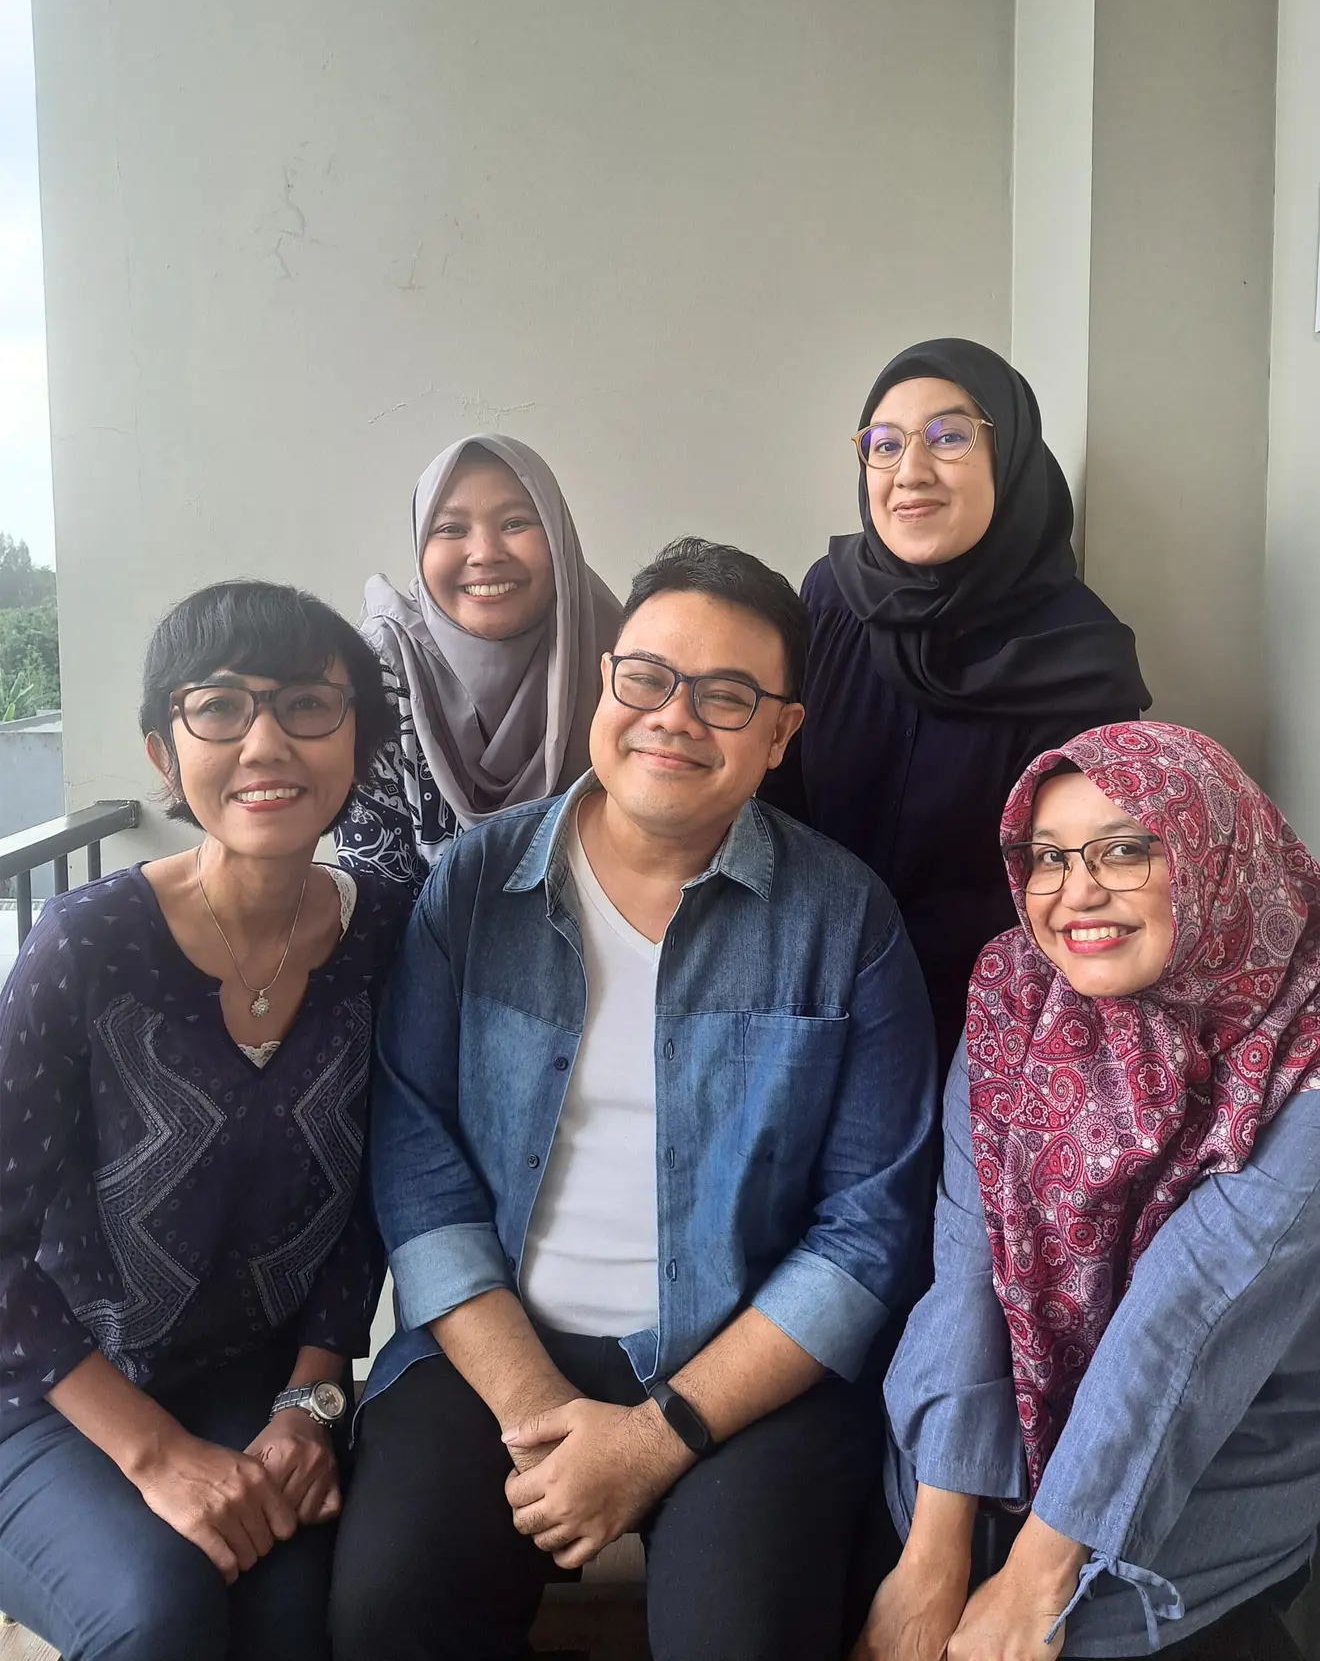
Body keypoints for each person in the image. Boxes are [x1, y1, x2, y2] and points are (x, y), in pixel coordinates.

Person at [329, 537, 939, 1661]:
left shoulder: (845, 921)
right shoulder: (473, 884)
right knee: (387, 1607)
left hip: (746, 1367)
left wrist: (657, 1438)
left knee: (742, 1636)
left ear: (779, 733)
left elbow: (871, 1227)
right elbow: (417, 1160)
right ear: (606, 679)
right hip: (498, 1348)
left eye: (727, 696)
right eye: (649, 677)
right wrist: (531, 1408)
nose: (674, 717)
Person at [0, 582, 412, 1661]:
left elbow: (377, 1189)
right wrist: (151, 1454)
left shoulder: (385, 932)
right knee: (160, 1613)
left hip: (255, 1379)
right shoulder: (84, 945)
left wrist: (312, 1399)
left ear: (355, 737)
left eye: (308, 705)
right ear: (161, 747)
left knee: (296, 1619)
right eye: (219, 706)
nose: (266, 740)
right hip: (46, 1380)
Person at [860, 721, 1320, 1661]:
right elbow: (969, 1261)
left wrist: (1035, 1583)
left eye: (1123, 849)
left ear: (1208, 850)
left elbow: (1189, 1313)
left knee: (1081, 1628)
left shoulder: (1304, 1038)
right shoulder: (1015, 994)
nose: (1077, 892)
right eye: (1049, 858)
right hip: (1014, 1416)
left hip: (1229, 1437)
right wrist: (937, 1551)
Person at [762, 338, 1150, 1068]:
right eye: (884, 444)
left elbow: (1086, 878)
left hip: (996, 1028)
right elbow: (776, 796)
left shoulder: (1079, 655)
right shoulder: (829, 597)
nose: (911, 471)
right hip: (812, 998)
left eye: (948, 436)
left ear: (1009, 455)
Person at [334, 433, 621, 890]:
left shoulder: (624, 662)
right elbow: (373, 891)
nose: (485, 553)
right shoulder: (377, 674)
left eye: (516, 523)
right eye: (451, 529)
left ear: (558, 536)